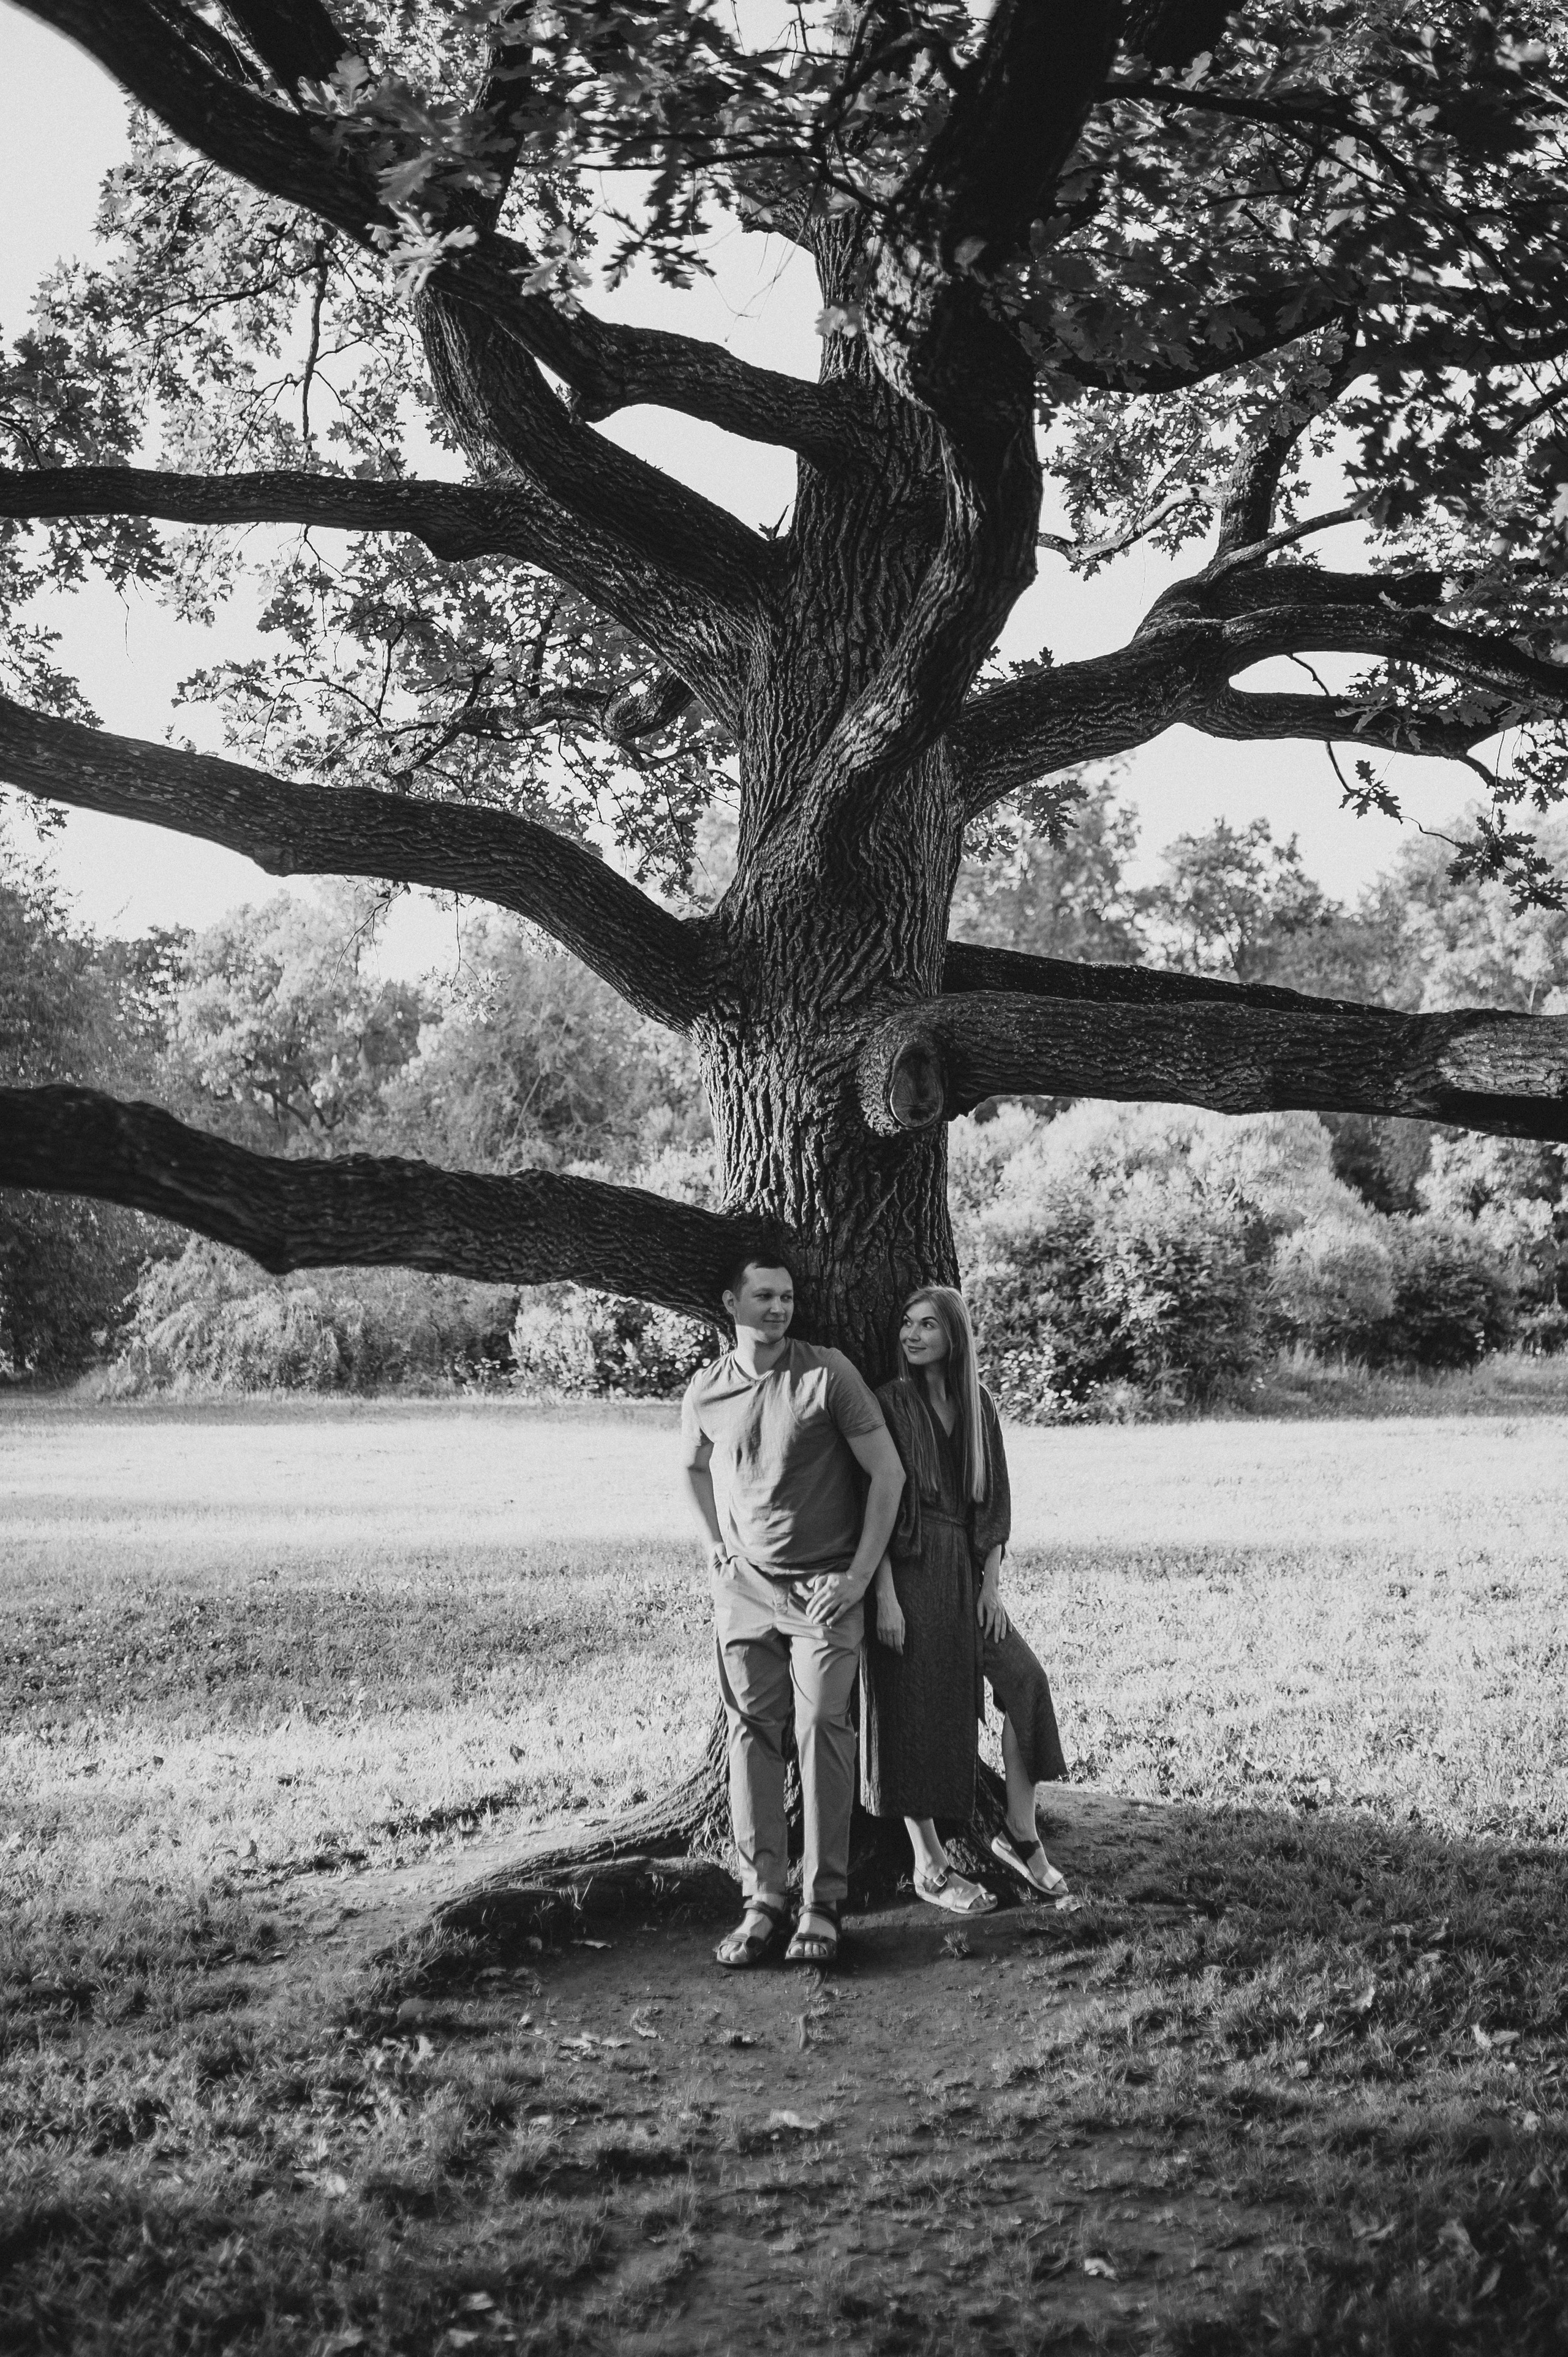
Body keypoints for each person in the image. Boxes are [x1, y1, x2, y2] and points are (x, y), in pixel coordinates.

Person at [681, 1254, 906, 1970]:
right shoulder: (707, 1389)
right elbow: (689, 1467)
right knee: (751, 1734)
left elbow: (888, 1475)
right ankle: (762, 1898)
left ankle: (822, 1899)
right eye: (764, 1296)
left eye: (787, 1297)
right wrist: (712, 1543)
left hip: (823, 1592)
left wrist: (860, 1577)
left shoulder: (826, 1373)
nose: (779, 1308)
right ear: (730, 1301)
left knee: (819, 1729)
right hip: (743, 1589)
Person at [862, 1285, 1069, 1912]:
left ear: (954, 1336)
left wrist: (991, 1585)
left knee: (1026, 1681)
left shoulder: (978, 1404)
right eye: (906, 1323)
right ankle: (929, 1863)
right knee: (914, 1712)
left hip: (968, 1573)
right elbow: (872, 1507)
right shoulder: (890, 1403)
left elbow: (994, 1502)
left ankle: (1019, 1834)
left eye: (928, 1324)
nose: (912, 1334)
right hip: (911, 1570)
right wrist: (886, 1597)